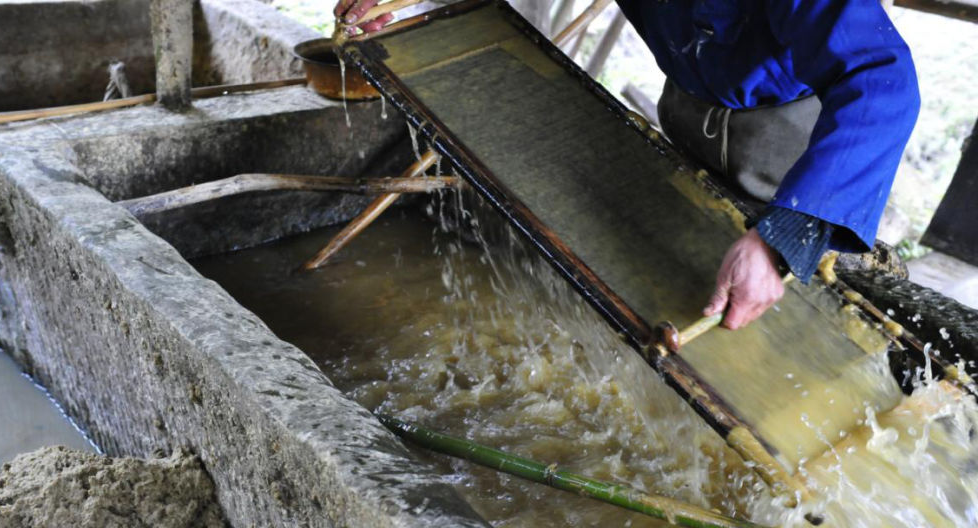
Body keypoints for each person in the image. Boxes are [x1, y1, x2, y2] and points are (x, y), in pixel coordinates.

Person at [333, 0, 921, 330]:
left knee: (779, 314)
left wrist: (780, 240)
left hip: (788, 137)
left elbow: (882, 82)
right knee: (670, 276)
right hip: (689, 107)